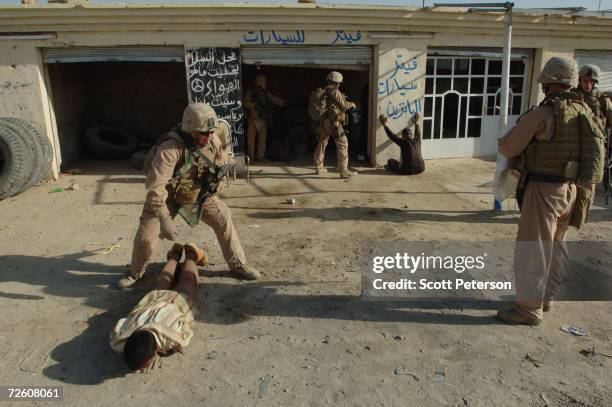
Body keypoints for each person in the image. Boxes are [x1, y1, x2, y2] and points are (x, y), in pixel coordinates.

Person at [497, 56, 606, 325]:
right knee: (557, 246)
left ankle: (528, 309)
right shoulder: (584, 110)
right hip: (572, 191)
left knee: (533, 249)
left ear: (546, 81)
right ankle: (546, 298)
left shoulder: (543, 114)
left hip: (544, 189)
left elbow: (508, 148)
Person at [118, 103, 260, 289]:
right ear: (191, 131)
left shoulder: (211, 138)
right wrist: (164, 219)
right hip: (167, 198)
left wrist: (227, 162)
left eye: (211, 132)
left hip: (198, 193)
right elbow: (155, 189)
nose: (210, 136)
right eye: (204, 133)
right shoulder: (170, 148)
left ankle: (238, 264)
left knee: (223, 216)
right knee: (146, 238)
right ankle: (134, 272)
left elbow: (221, 156)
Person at [110, 243, 204, 373]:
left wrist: (164, 351)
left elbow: (186, 331)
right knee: (163, 280)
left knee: (188, 280)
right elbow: (120, 322)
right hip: (153, 299)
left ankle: (191, 256)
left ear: (155, 350)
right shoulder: (118, 341)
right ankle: (176, 255)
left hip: (178, 303)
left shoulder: (171, 339)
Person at [313, 71, 357, 179]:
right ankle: (343, 171)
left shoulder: (323, 91)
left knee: (322, 142)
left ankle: (319, 168)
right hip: (334, 122)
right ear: (337, 82)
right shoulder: (334, 91)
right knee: (343, 143)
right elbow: (344, 105)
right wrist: (353, 104)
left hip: (324, 122)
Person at [243, 75, 286, 162]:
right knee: (251, 139)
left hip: (262, 119)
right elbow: (245, 103)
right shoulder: (251, 92)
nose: (265, 84)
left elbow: (274, 99)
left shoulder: (266, 93)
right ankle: (251, 158)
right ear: (258, 83)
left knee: (262, 139)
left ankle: (260, 156)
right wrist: (253, 105)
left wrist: (283, 102)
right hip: (253, 119)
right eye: (263, 82)